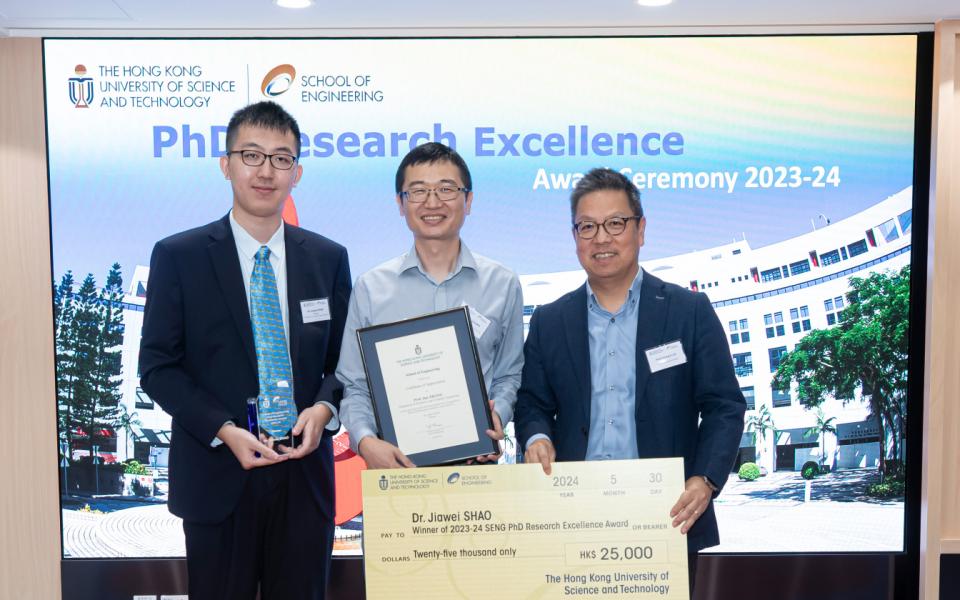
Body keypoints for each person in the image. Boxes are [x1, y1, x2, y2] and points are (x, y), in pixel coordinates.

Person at [139, 101, 351, 600]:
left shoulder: (327, 258)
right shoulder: (179, 256)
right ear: (226, 164)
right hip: (217, 476)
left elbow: (344, 364)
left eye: (281, 159)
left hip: (304, 480)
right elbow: (158, 368)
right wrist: (223, 429)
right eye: (251, 155)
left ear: (296, 173)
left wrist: (323, 409)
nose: (265, 171)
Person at [514, 167, 745, 592]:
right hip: (571, 519)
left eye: (615, 223)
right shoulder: (549, 321)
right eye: (587, 226)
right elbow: (531, 403)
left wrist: (706, 478)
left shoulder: (688, 311)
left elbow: (724, 406)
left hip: (666, 518)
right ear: (575, 236)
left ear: (641, 230)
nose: (601, 238)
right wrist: (535, 438)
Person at [337, 142, 524, 468]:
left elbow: (510, 375)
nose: (433, 202)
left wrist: (497, 415)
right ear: (400, 203)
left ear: (468, 200)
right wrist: (366, 442)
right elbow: (354, 385)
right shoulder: (371, 288)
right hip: (395, 473)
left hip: (477, 471)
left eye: (446, 189)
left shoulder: (503, 284)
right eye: (418, 191)